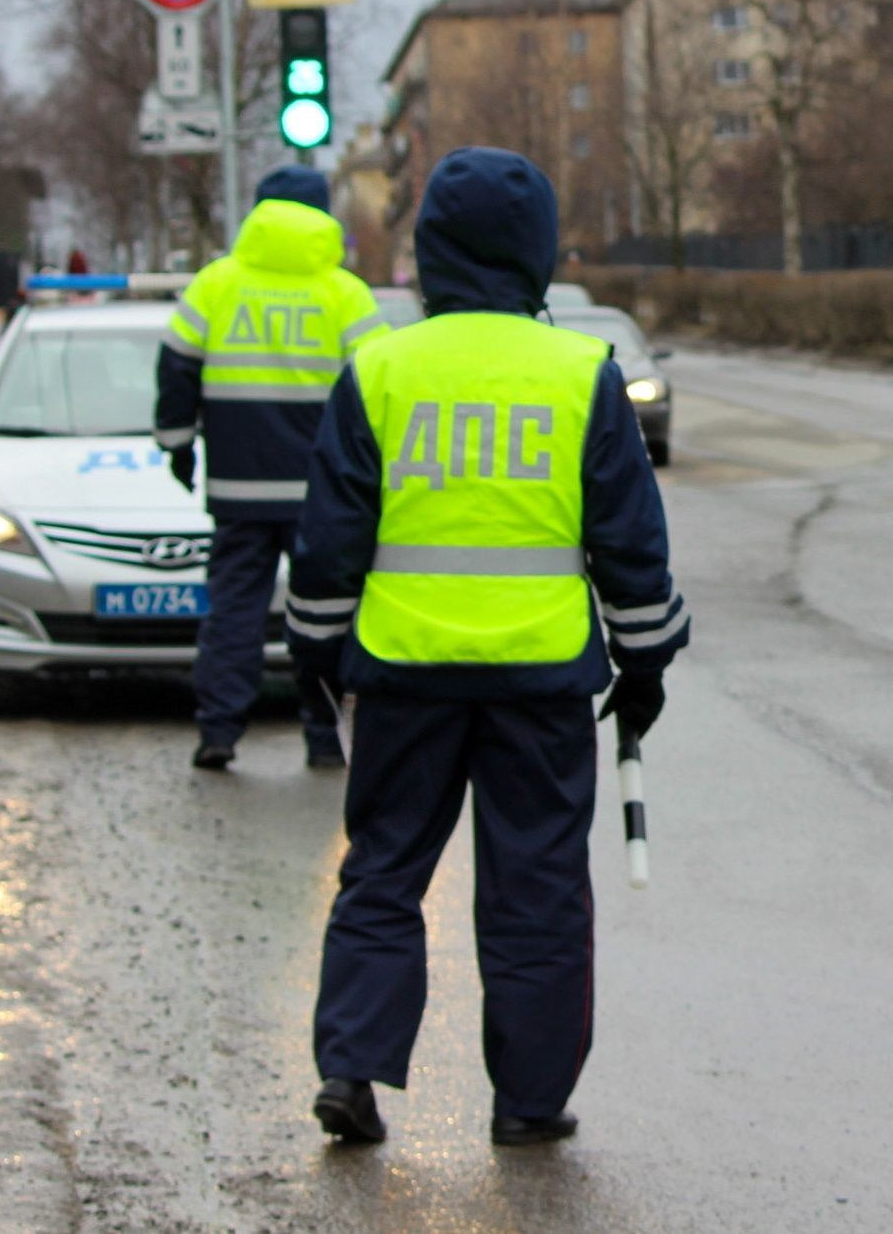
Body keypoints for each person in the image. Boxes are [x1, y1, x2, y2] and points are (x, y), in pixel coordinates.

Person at [283, 146, 686, 1147]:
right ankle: (530, 1101)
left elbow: (328, 547)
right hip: (540, 684)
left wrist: (318, 659)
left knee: (381, 872)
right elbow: (630, 548)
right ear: (537, 255)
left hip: (403, 674)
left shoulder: (378, 369)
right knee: (537, 892)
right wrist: (644, 669)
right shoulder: (578, 374)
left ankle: (352, 1067)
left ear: (431, 251)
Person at [155, 164, 385, 771]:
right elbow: (379, 387)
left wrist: (177, 444)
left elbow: (176, 366)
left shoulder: (215, 285)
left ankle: (220, 730)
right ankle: (323, 736)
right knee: (324, 615)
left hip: (238, 487)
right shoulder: (345, 293)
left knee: (234, 610)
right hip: (323, 494)